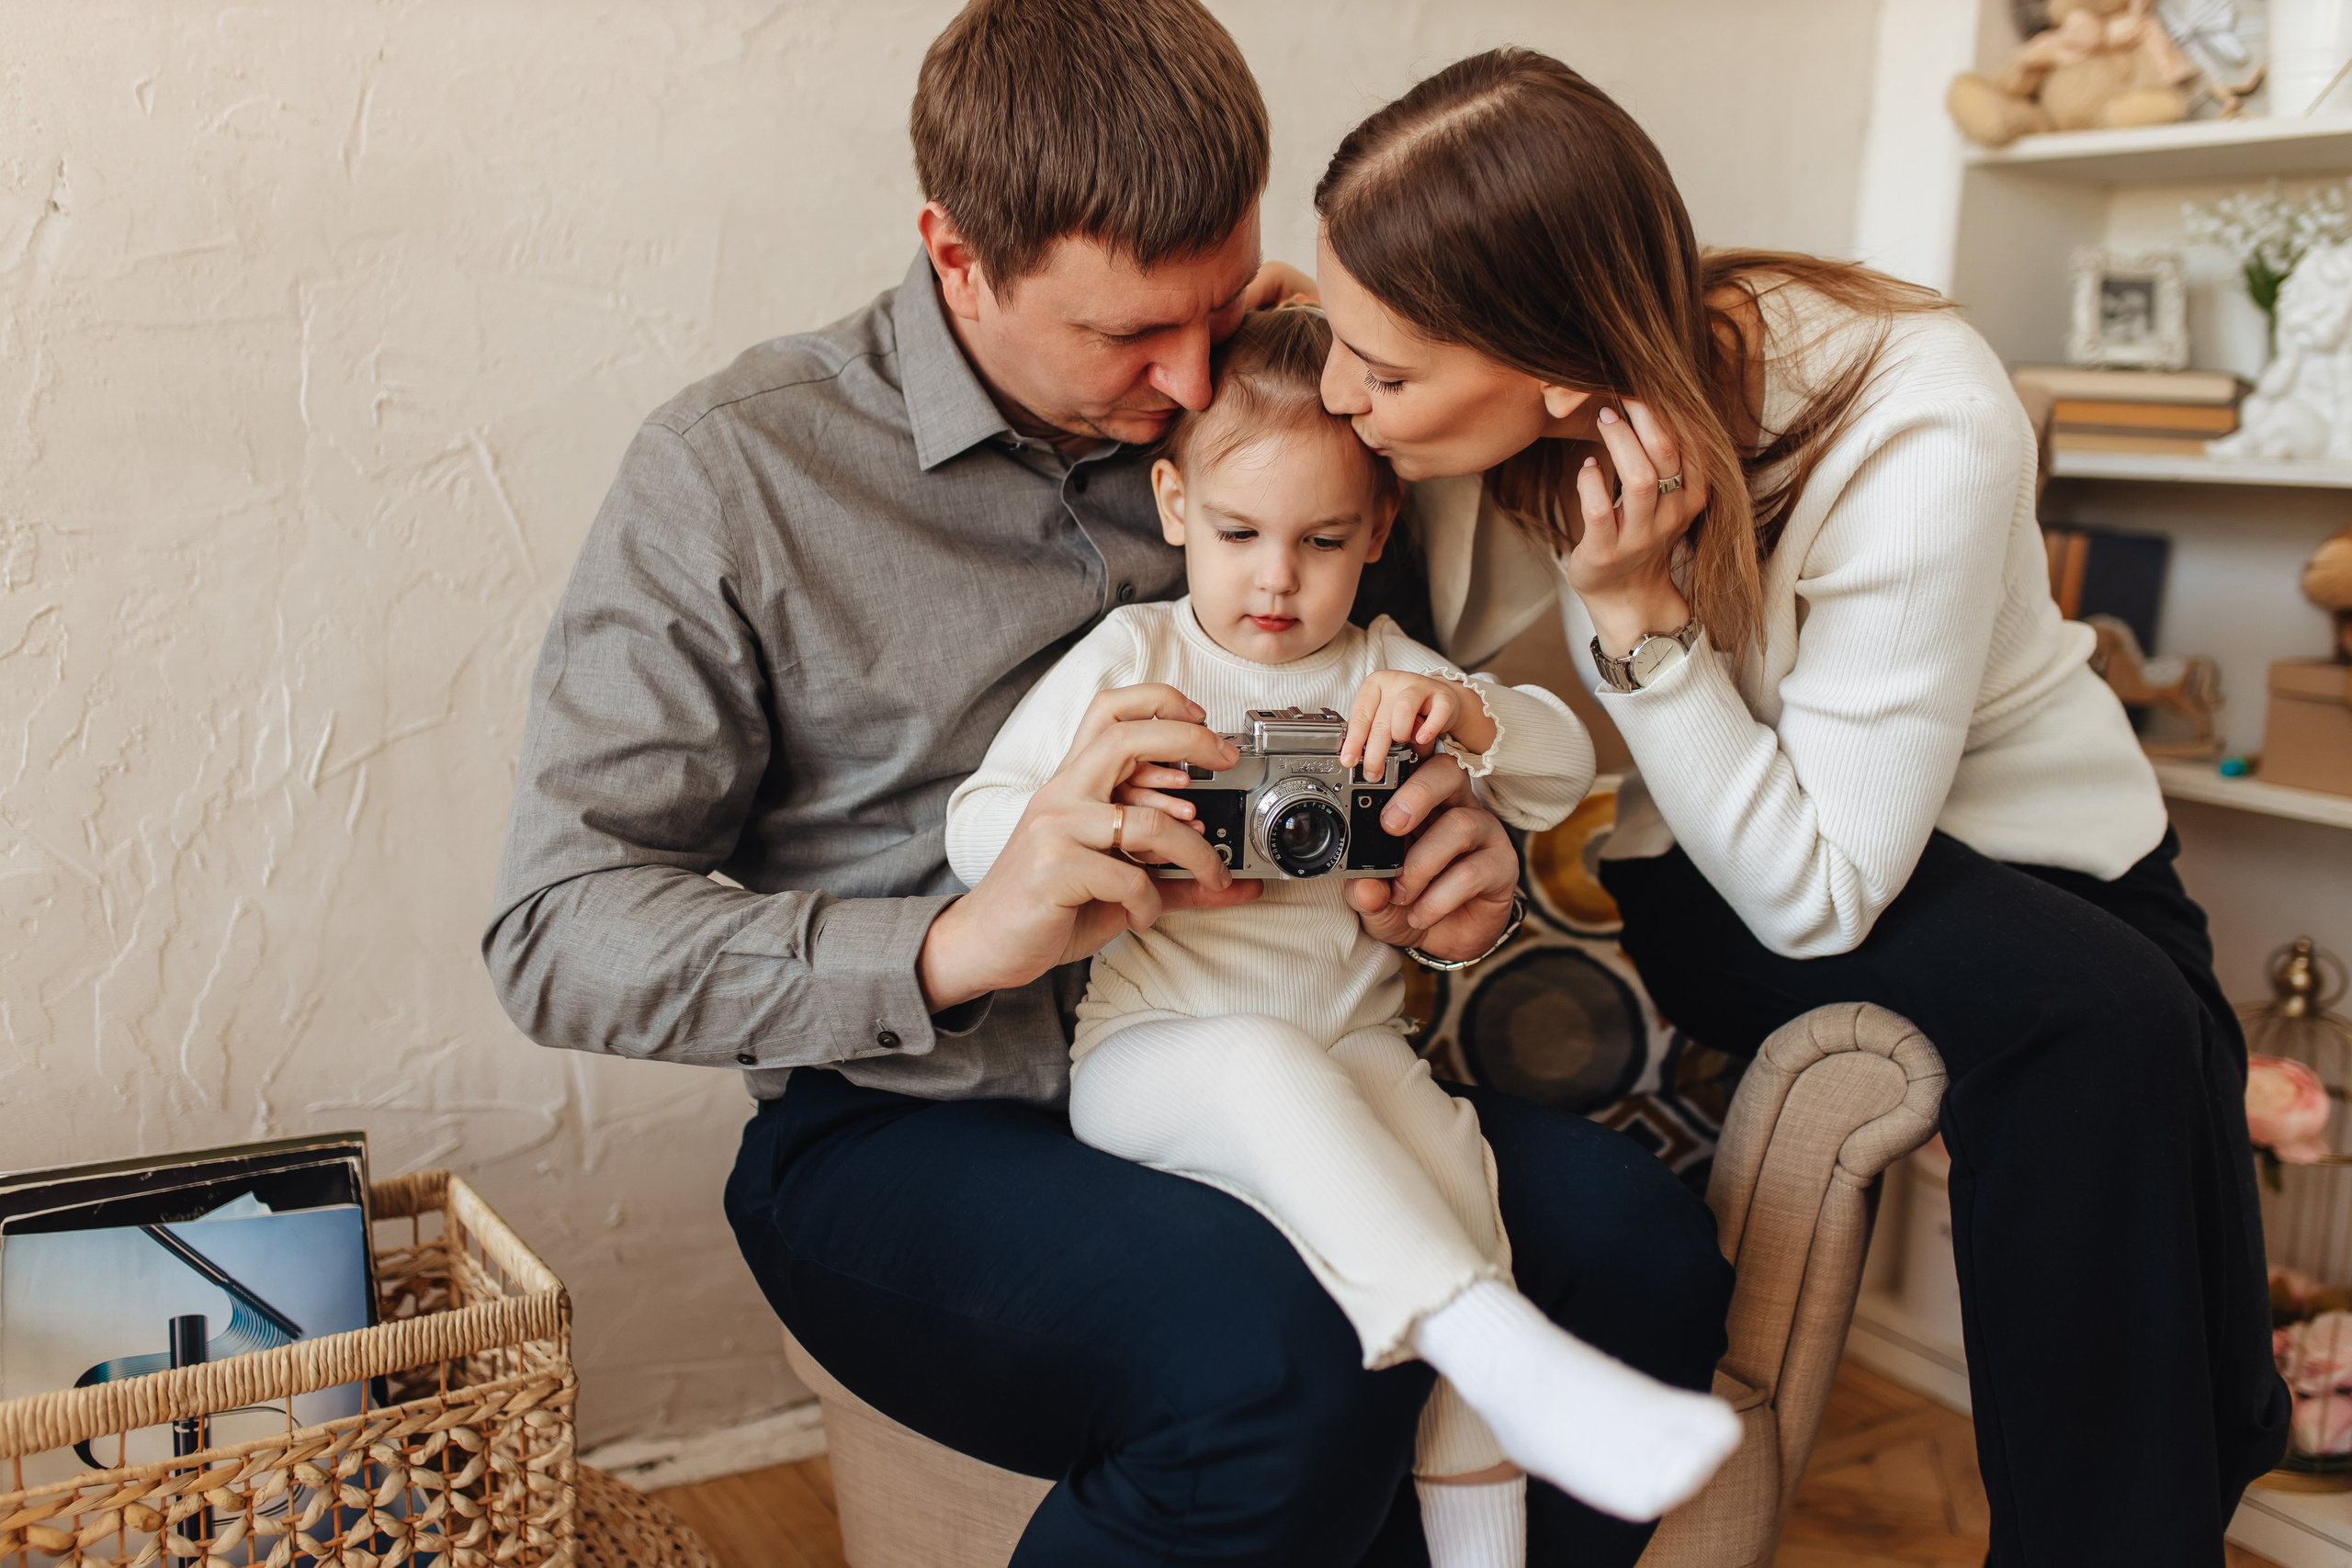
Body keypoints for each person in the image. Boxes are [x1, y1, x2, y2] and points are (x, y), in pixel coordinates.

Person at [482, 6, 1734, 1565]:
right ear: (957, 254)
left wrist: (1448, 863)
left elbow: (1428, 713)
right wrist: (955, 942)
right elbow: (556, 927)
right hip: (914, 1125)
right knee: (1268, 1361)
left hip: (1290, 1039)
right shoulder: (736, 476)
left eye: (1223, 300)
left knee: (1643, 1256)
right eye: (1131, 335)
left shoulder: (1291, 402)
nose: (1195, 373)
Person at [1309, 48, 2289, 1566]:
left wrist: (1639, 620)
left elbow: (1830, 881)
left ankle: (2164, 1503)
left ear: (1560, 368)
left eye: (1380, 370)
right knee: (2115, 1024)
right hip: (1719, 866)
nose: (1339, 395)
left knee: (2130, 1011)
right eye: (1340, 340)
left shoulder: (1915, 415)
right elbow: (1788, 895)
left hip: (2038, 854)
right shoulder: (1487, 416)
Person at [944, 306, 1739, 1568]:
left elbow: (1562, 766)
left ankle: (1492, 1464)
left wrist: (1467, 716)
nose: (1276, 579)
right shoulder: (1134, 661)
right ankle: (1514, 1353)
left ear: (1379, 530)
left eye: (1322, 540)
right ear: (1171, 503)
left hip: (1362, 1046)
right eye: (1239, 532)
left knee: (1457, 1192)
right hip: (1161, 1052)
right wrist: (1092, 819)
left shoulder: (1388, 674)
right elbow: (976, 826)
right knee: (1277, 1076)